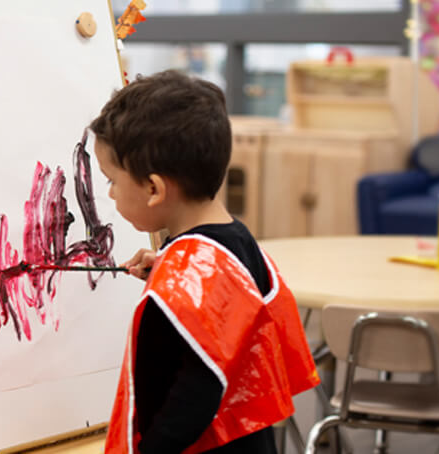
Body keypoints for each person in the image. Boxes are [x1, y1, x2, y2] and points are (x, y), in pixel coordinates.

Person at [89, 70, 319, 454]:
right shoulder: (233, 240)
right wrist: (167, 266)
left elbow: (198, 391)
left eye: (111, 179)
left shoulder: (194, 272)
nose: (110, 193)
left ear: (153, 188)